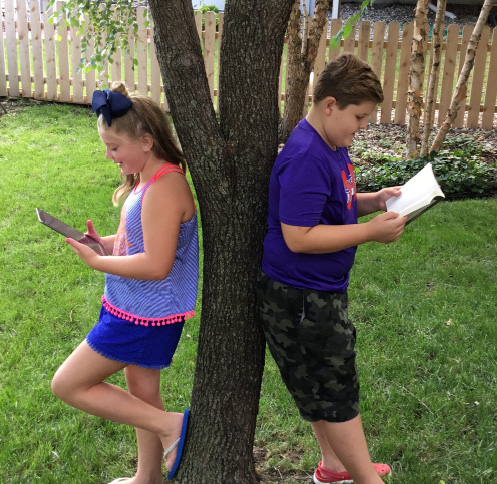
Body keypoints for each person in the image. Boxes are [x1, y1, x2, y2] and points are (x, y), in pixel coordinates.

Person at [257, 53, 407, 484]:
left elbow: (333, 205)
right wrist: (368, 232)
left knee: (320, 387)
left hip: (314, 292)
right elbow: (299, 236)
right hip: (301, 298)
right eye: (358, 117)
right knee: (335, 390)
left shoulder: (332, 145)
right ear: (329, 105)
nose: (362, 127)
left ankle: (336, 467)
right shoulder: (307, 155)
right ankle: (366, 480)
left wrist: (372, 200)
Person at [51, 82, 199, 483]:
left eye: (114, 147)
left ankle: (171, 427)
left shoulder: (166, 187)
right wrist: (107, 244)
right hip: (133, 306)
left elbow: (156, 265)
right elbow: (142, 242)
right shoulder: (147, 180)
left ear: (147, 141)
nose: (108, 155)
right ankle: (147, 477)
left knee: (67, 384)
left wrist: (100, 263)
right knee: (142, 392)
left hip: (145, 315)